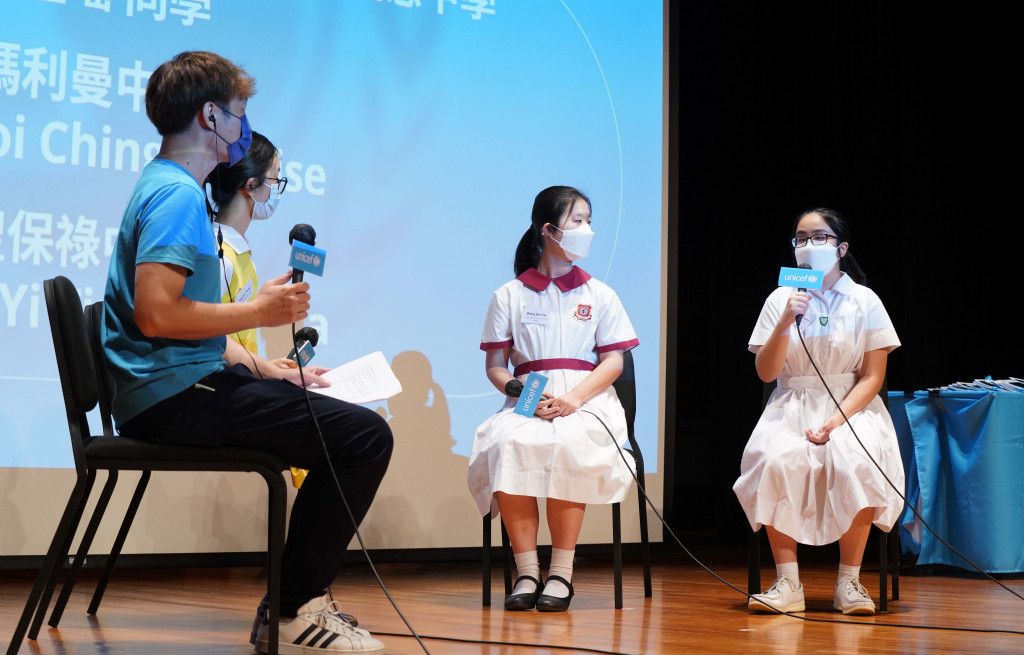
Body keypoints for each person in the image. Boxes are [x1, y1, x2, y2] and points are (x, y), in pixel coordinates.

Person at [101, 51, 392, 653]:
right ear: (211, 116)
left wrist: (258, 349)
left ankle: (291, 605)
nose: (245, 129)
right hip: (173, 396)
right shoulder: (177, 195)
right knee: (364, 437)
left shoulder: (172, 188)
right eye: (239, 115)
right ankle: (293, 610)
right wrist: (258, 314)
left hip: (180, 383)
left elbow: (180, 316)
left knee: (346, 424)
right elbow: (156, 313)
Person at [467, 186, 639, 612]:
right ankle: (527, 570)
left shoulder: (600, 294)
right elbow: (496, 367)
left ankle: (561, 572)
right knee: (508, 443)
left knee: (569, 442)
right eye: (577, 221)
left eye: (588, 220)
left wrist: (573, 400)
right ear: (549, 230)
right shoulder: (508, 294)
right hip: (528, 396)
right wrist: (522, 392)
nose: (587, 230)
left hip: (588, 397)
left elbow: (613, 363)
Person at [732, 207, 904, 616]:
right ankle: (787, 582)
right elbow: (766, 372)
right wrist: (785, 323)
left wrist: (833, 421)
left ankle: (850, 582)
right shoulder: (780, 299)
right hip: (791, 403)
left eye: (820, 237)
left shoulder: (865, 300)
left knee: (857, 463)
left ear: (841, 247)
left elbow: (873, 377)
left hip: (851, 407)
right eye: (801, 238)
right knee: (773, 461)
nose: (809, 245)